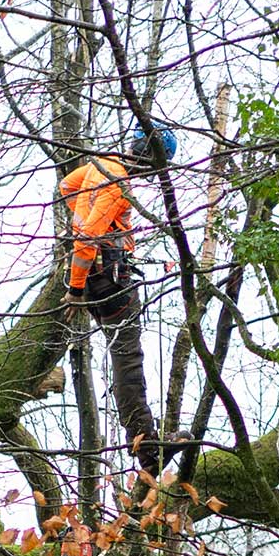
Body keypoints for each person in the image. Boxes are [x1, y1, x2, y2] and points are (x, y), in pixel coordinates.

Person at [59, 125, 178, 477]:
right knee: (128, 359)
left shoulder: (101, 164)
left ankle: (142, 440)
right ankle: (146, 446)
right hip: (107, 278)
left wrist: (99, 220)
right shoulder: (118, 182)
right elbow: (87, 237)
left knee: (124, 355)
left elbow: (66, 186)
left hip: (99, 274)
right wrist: (75, 289)